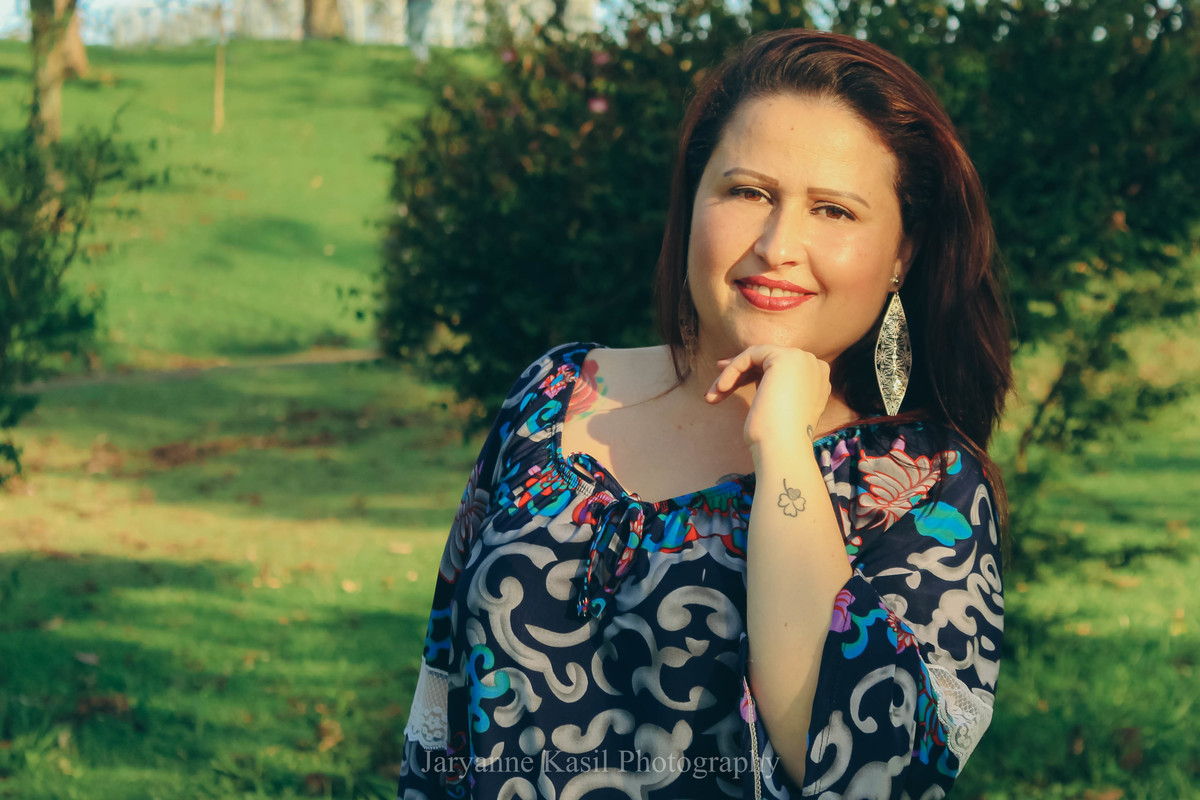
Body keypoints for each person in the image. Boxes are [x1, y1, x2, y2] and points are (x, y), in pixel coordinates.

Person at [396, 27, 1011, 800]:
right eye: (749, 193)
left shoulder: (926, 485)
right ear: (693, 200)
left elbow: (865, 770)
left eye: (833, 210)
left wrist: (781, 444)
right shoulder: (552, 395)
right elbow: (441, 711)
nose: (778, 245)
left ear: (902, 254)